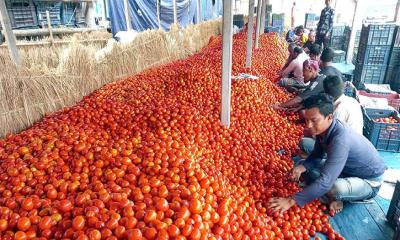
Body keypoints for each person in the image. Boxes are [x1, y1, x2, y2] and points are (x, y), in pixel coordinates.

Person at [269, 94, 386, 214]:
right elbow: (317, 155)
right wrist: (301, 168)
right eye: (306, 120)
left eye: (313, 120)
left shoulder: (340, 140)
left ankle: (340, 198)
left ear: (329, 117)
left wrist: (290, 201)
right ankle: (331, 193)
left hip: (369, 180)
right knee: (302, 166)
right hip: (345, 169)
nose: (308, 125)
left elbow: (325, 181)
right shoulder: (324, 129)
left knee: (333, 188)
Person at [300, 75, 364, 156]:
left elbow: (329, 136)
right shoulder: (352, 101)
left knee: (304, 142)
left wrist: (311, 133)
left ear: (326, 93)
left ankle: (324, 159)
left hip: (344, 150)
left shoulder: (338, 110)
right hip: (356, 142)